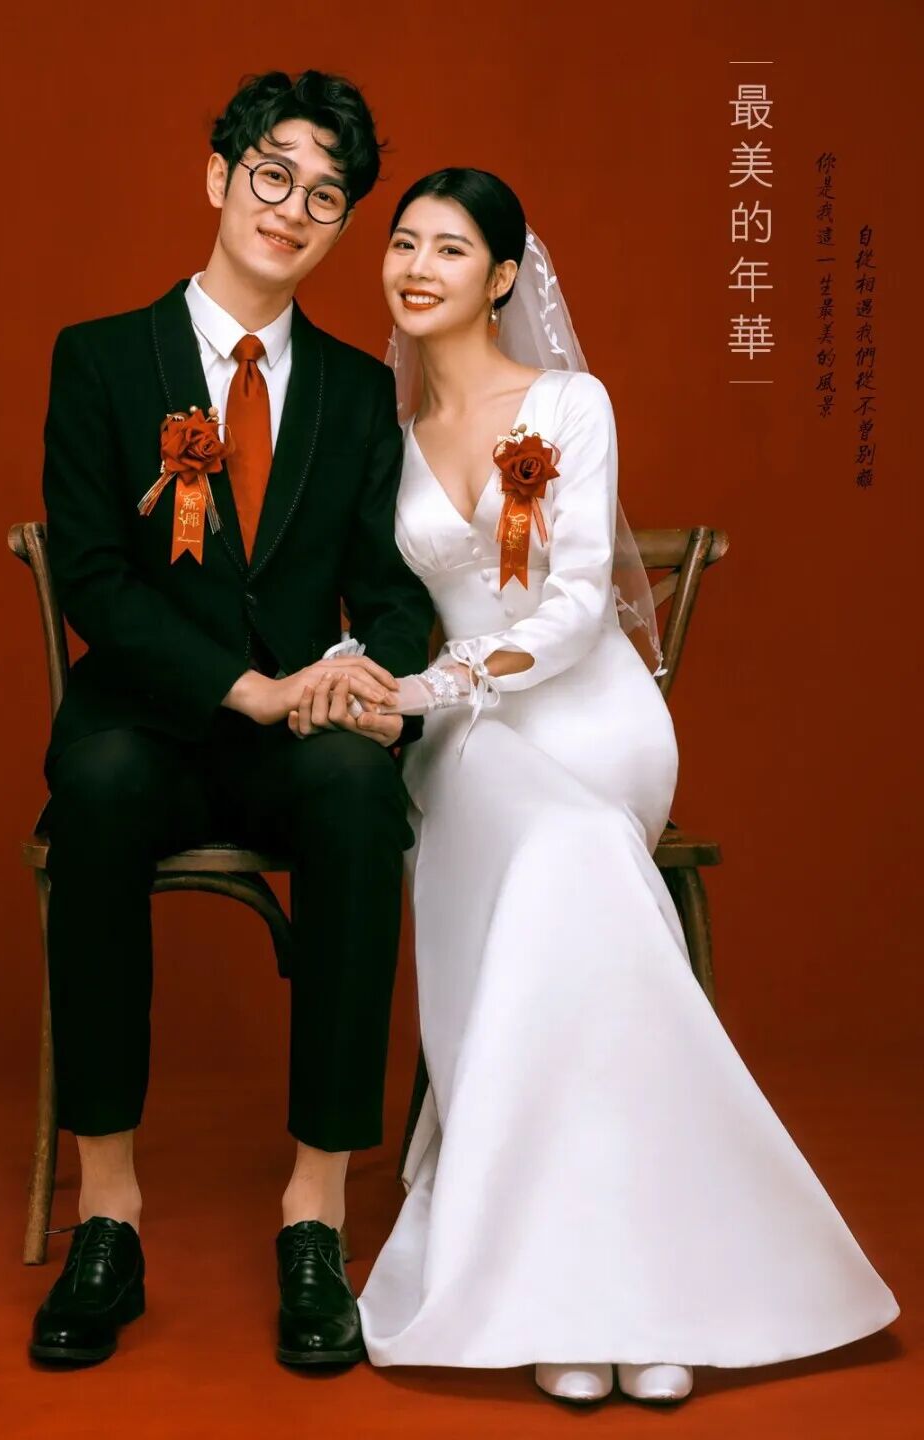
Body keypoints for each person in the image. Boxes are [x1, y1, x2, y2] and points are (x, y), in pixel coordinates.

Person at [345, 168, 899, 1403]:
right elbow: (376, 602)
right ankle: (580, 1287)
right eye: (403, 243)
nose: (418, 267)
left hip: (591, 716)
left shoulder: (570, 403)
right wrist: (378, 680)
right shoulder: (380, 434)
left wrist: (442, 684)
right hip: (464, 739)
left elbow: (578, 599)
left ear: (503, 276)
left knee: (576, 845)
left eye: (450, 248)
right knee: (568, 857)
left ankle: (646, 1281)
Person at [28, 70, 435, 1367]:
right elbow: (94, 579)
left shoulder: (362, 395)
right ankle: (108, 1214)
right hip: (148, 728)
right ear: (218, 177)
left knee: (360, 793)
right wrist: (239, 684)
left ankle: (314, 1216)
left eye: (326, 195)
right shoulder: (101, 358)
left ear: (342, 225)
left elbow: (392, 597)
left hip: (296, 743)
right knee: (94, 790)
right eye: (272, 173)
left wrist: (357, 681)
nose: (292, 208)